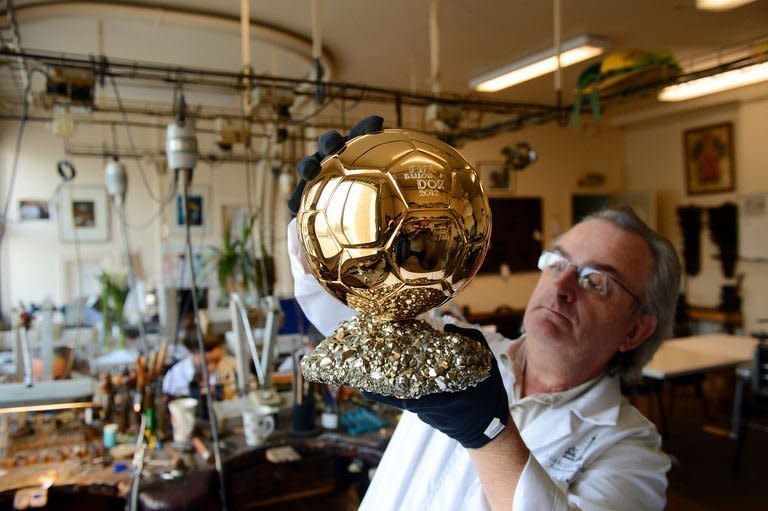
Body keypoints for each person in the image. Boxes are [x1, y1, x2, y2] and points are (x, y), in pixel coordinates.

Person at [286, 118, 681, 510]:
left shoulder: (630, 452)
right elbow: (348, 317)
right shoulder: (453, 351)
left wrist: (489, 433)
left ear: (635, 329)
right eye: (557, 263)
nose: (562, 289)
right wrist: (318, 222)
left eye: (596, 281)